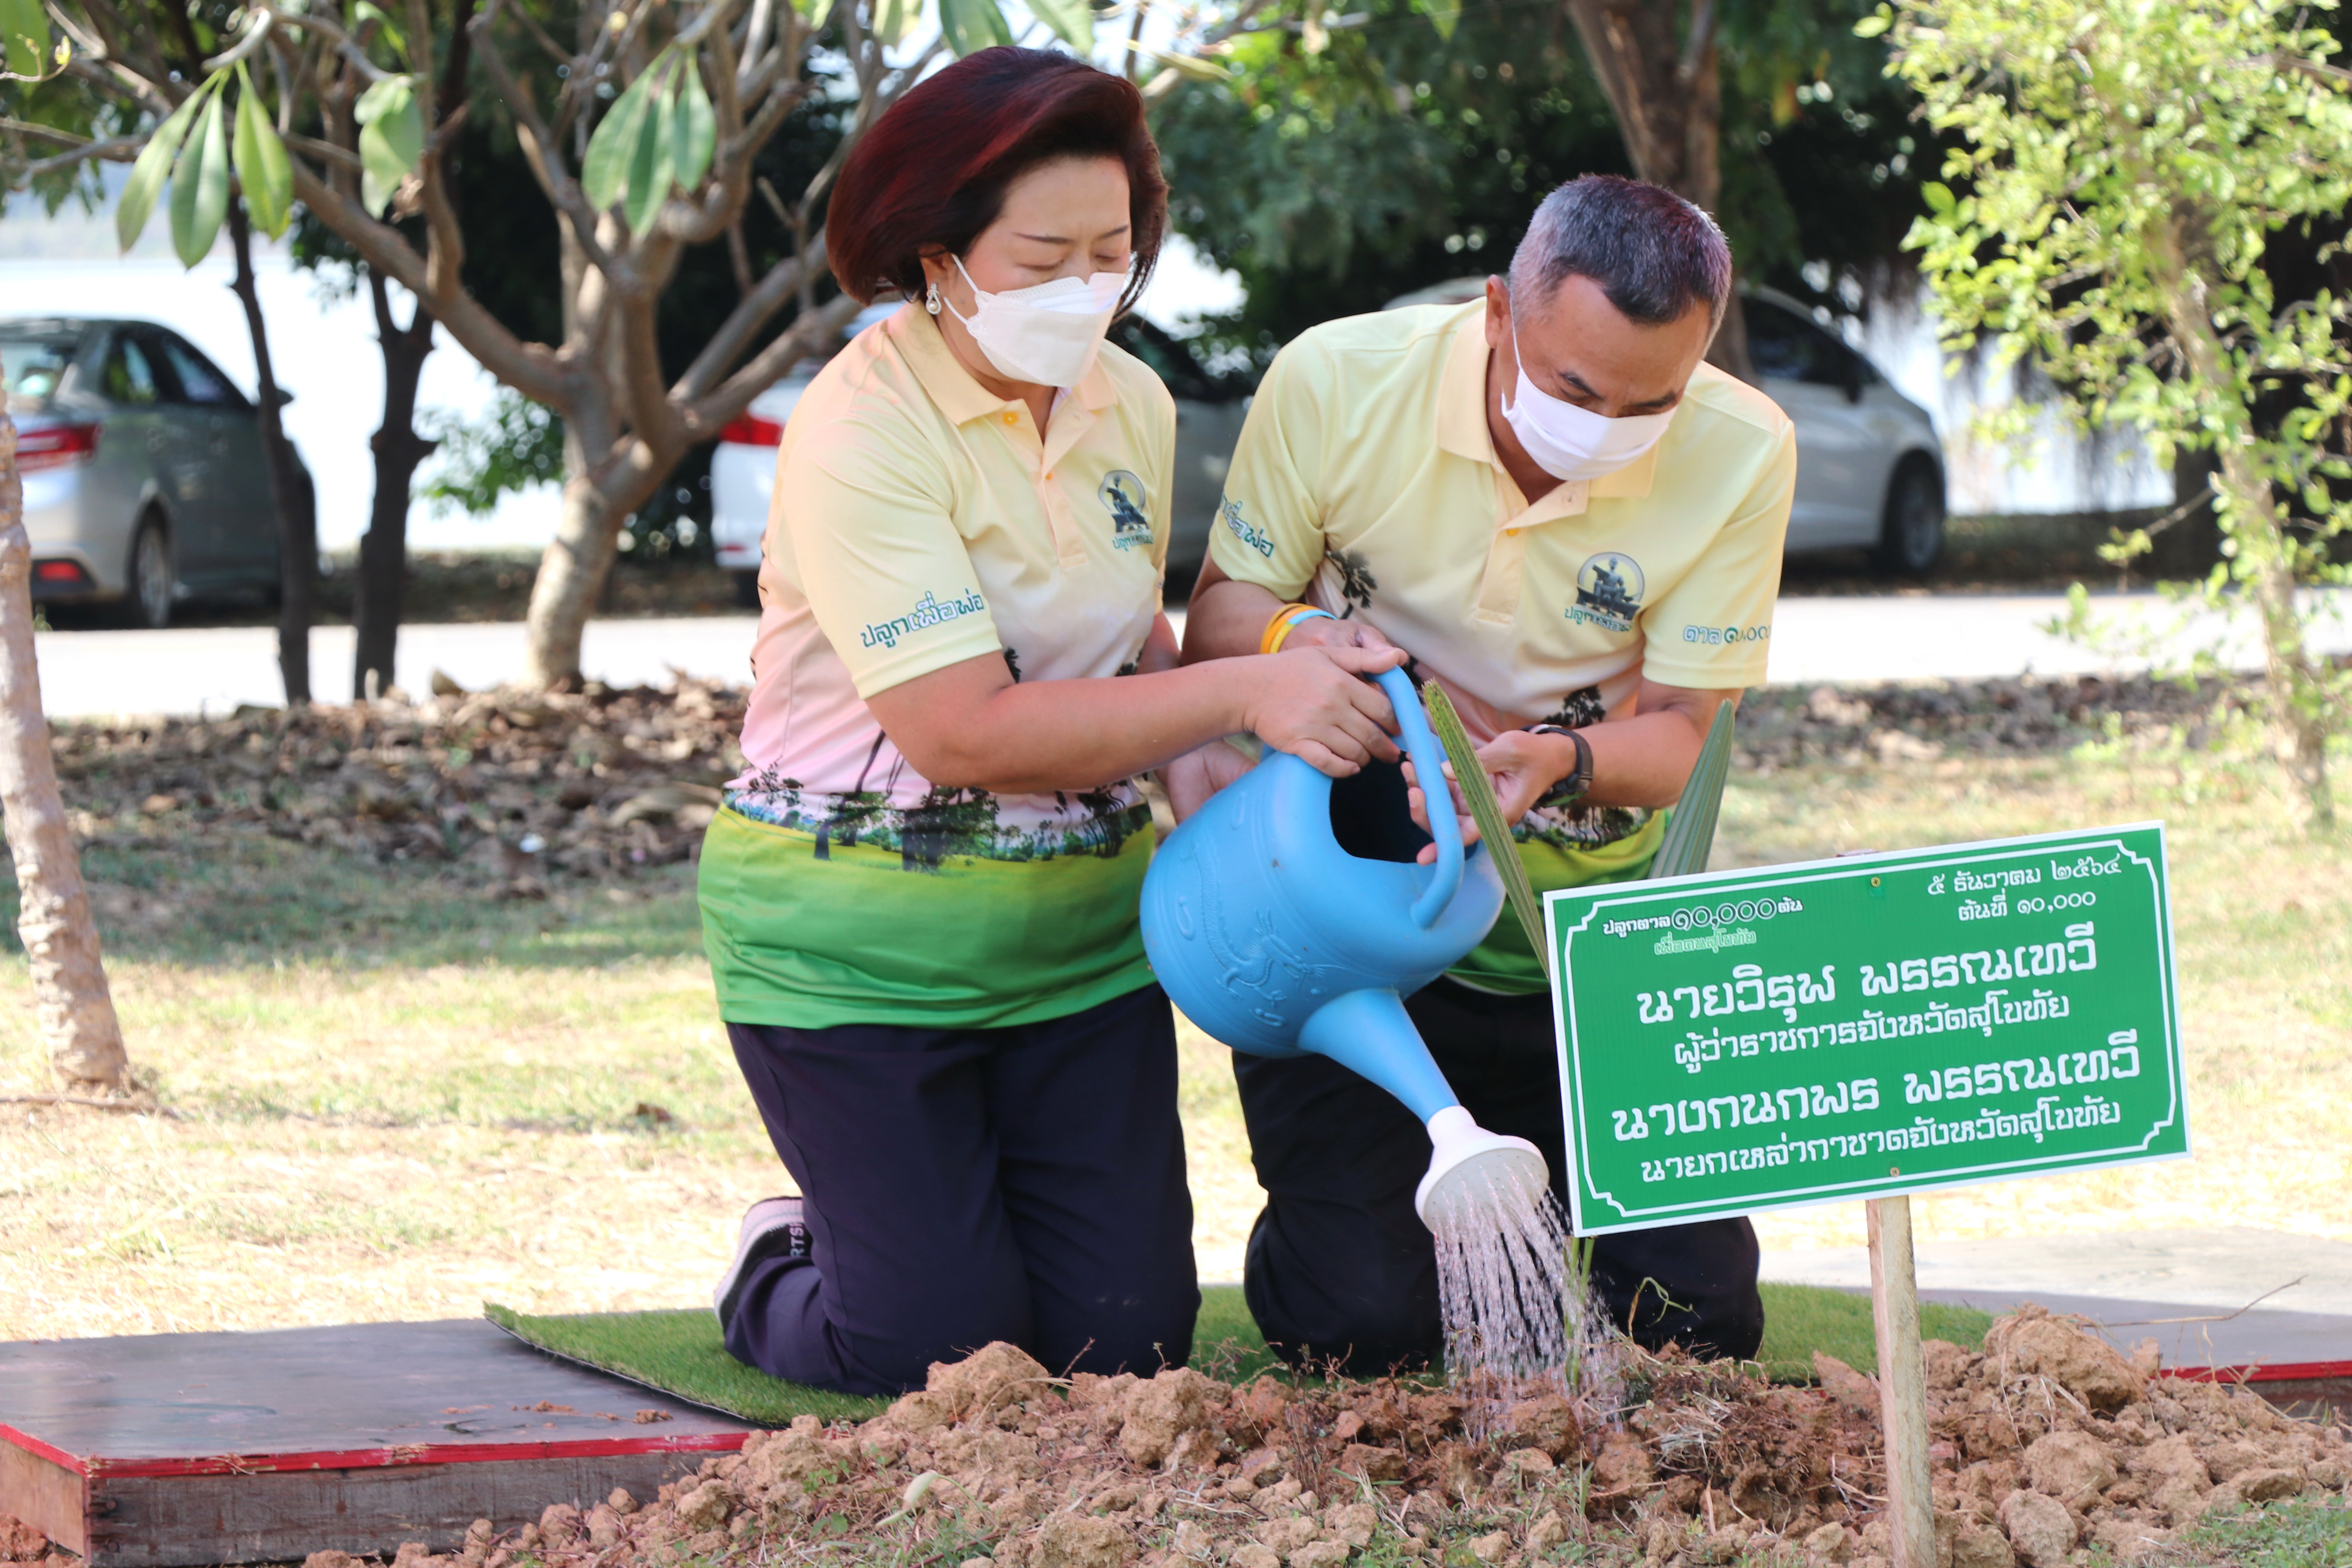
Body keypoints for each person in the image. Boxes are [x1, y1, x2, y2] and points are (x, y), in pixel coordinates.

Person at [697, 46, 1405, 1397]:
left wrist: (1217, 735)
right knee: (930, 1354)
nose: (1085, 289)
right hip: (854, 965)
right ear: (934, 252)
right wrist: (1247, 686)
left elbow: (1122, 627)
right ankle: (776, 1257)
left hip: (1083, 950)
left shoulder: (1129, 401)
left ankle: (917, 1233)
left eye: (1113, 251)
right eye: (1041, 258)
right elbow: (960, 731)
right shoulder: (861, 429)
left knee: (1126, 1347)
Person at [1179, 175, 1793, 1372]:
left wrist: (1549, 767)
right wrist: (1308, 648)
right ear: (1499, 312)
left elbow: (1676, 739)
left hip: (1582, 942)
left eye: (1651, 402)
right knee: (1365, 1328)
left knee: (1698, 1328)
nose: (1607, 426)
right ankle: (1351, 1207)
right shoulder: (1335, 379)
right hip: (1361, 925)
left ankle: (1546, 1186)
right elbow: (1219, 617)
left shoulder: (1743, 448)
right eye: (1576, 388)